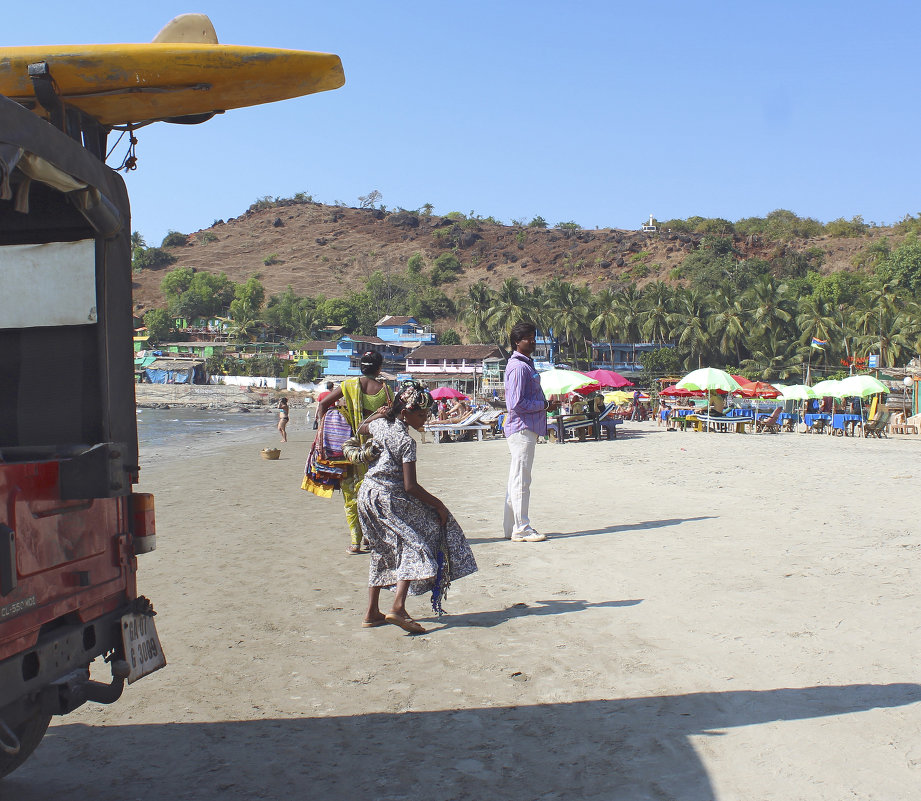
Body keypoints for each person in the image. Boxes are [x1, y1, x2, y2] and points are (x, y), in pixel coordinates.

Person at [357, 381, 477, 633]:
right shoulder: (406, 442)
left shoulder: (380, 425)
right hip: (388, 498)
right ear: (405, 413)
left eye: (426, 414)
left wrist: (377, 414)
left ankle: (371, 612)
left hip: (367, 495)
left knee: (381, 549)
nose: (424, 419)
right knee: (414, 544)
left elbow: (361, 428)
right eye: (420, 415)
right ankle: (398, 607)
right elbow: (410, 486)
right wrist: (439, 504)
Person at [315, 353, 393, 555]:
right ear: (379, 368)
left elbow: (323, 405)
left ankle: (355, 542)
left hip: (349, 451)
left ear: (361, 368)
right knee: (373, 495)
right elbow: (393, 419)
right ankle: (370, 537)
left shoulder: (348, 385)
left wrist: (323, 434)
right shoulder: (385, 390)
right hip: (376, 452)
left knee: (351, 496)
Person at [503, 321, 560, 543]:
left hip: (525, 428)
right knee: (521, 479)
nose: (533, 341)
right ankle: (522, 528)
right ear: (517, 341)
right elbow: (516, 403)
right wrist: (544, 406)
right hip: (522, 428)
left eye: (534, 336)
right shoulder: (518, 367)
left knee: (515, 479)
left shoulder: (525, 365)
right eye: (529, 337)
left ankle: (511, 527)